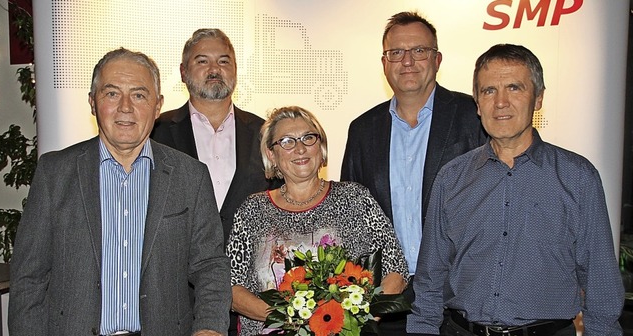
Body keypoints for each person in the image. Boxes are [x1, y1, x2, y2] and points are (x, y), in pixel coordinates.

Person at [8, 48, 231, 336]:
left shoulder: (191, 177)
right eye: (112, 94)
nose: (125, 107)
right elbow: (29, 278)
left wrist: (210, 328)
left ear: (158, 105)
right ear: (92, 102)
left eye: (139, 95)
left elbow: (210, 267)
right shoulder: (55, 173)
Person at [407, 44, 625, 336]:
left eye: (514, 88)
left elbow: (601, 287)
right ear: (477, 102)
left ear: (538, 98)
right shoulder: (451, 179)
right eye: (488, 91)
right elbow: (429, 282)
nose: (500, 102)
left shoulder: (578, 178)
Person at [340, 11, 487, 334]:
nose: (407, 61)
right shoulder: (363, 130)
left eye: (419, 51)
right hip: (387, 300)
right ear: (384, 62)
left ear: (437, 59)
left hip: (459, 299)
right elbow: (351, 217)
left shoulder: (473, 118)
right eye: (396, 52)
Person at [226, 106, 409, 335]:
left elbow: (396, 269)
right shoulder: (252, 211)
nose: (300, 148)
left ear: (321, 148)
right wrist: (290, 317)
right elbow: (231, 288)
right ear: (271, 155)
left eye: (308, 138)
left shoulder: (355, 199)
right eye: (287, 141)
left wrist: (356, 320)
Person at [151, 28, 273, 243]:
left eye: (224, 62)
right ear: (183, 72)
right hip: (180, 270)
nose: (214, 69)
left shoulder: (264, 133)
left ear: (235, 70)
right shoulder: (156, 131)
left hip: (250, 269)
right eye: (202, 62)